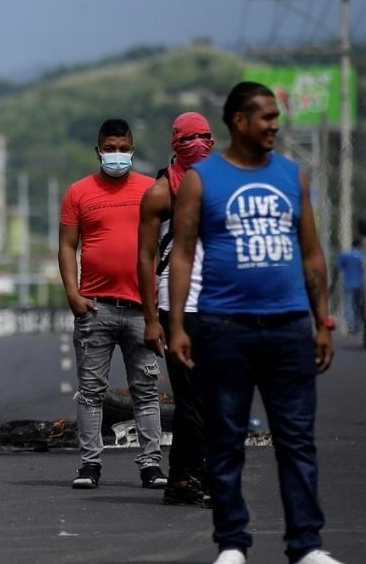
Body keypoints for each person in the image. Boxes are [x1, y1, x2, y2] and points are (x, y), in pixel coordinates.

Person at [168, 81, 341, 564]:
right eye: (265, 117)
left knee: (296, 441)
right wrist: (179, 325)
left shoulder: (292, 176)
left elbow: (311, 254)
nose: (275, 125)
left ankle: (306, 545)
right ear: (239, 122)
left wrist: (321, 321)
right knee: (225, 440)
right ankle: (232, 545)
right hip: (224, 327)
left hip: (287, 327)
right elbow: (181, 255)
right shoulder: (203, 180)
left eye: (276, 116)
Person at [58, 118, 166, 490]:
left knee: (146, 391)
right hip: (95, 308)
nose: (116, 155)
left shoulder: (152, 190)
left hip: (143, 310)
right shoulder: (78, 193)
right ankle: (89, 465)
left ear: (132, 150)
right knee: (91, 391)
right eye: (110, 148)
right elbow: (67, 246)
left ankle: (151, 464)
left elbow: (168, 249)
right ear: (98, 151)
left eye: (123, 148)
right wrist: (73, 293)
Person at [136, 112, 213, 508]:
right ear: (174, 144)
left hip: (220, 305)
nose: (198, 143)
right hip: (177, 306)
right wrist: (151, 319)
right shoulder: (161, 194)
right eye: (190, 138)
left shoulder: (222, 184)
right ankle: (200, 477)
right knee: (196, 397)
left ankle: (182, 480)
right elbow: (145, 257)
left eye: (205, 136)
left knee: (209, 397)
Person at [333, 237, 363, 335]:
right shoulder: (362, 255)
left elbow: (337, 269)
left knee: (349, 305)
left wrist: (333, 284)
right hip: (361, 285)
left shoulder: (346, 255)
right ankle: (357, 327)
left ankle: (351, 326)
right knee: (359, 306)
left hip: (349, 284)